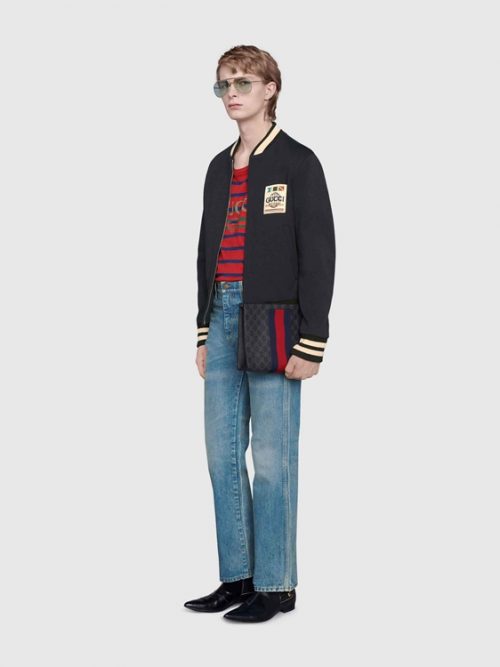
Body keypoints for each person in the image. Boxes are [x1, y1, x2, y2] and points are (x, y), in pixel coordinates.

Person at [184, 45, 336, 623]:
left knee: (272, 460)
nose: (231, 93)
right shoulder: (217, 167)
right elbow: (206, 251)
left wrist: (312, 340)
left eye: (242, 82)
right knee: (221, 456)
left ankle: (276, 585)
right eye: (223, 84)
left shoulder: (298, 162)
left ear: (270, 88)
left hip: (274, 320)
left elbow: (318, 256)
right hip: (222, 314)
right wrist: (203, 329)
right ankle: (239, 576)